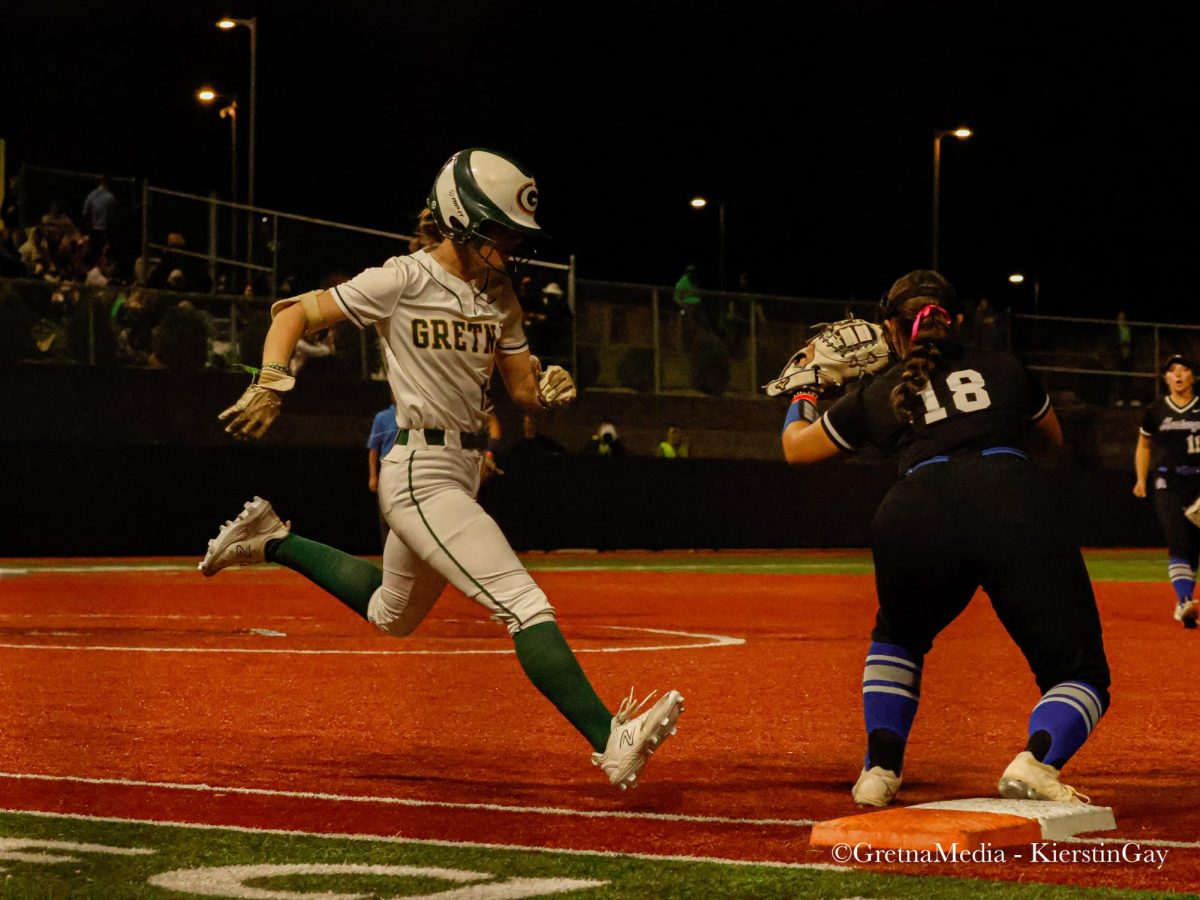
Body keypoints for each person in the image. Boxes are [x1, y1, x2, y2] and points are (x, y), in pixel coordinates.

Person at [199, 148, 684, 789]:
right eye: (499, 231)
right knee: (524, 603)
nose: (511, 246)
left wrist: (551, 385)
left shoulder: (500, 294)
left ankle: (273, 539)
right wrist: (270, 381)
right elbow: (293, 312)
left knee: (390, 614)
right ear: (461, 220)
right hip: (419, 468)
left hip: (460, 469)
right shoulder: (403, 277)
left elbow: (520, 389)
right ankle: (609, 739)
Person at [780, 269, 1110, 808]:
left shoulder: (879, 391)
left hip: (915, 509)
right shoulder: (1005, 368)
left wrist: (806, 388)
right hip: (1012, 498)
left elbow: (797, 449)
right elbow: (1053, 447)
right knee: (1080, 673)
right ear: (955, 321)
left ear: (890, 328)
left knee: (898, 639)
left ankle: (879, 772)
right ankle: (1035, 762)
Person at [1132, 354, 1200, 628]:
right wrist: (1140, 479)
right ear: (1166, 378)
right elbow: (1144, 445)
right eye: (1172, 370)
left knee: (1193, 548)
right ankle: (1184, 602)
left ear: (1193, 376)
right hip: (1167, 482)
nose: (1178, 374)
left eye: (1184, 369)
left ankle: (1185, 599)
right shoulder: (1155, 410)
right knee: (1177, 541)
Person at [367, 396, 400, 550]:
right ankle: (388, 555)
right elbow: (374, 449)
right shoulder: (382, 417)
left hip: (408, 473)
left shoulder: (415, 417)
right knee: (386, 517)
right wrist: (373, 476)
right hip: (388, 473)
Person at [82, 176, 118, 248]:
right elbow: (113, 216)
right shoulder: (111, 197)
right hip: (105, 232)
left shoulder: (91, 195)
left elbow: (85, 213)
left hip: (94, 231)